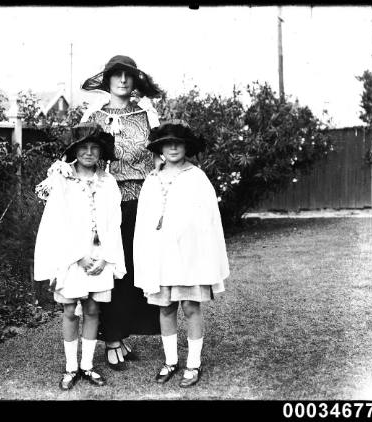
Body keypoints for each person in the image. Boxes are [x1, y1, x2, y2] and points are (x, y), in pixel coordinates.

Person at [77, 55, 163, 370]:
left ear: (135, 81)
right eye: (117, 75)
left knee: (135, 270)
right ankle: (111, 337)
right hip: (106, 200)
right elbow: (84, 157)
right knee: (111, 267)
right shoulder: (94, 115)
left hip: (143, 199)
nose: (123, 81)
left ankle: (122, 332)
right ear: (108, 80)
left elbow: (160, 157)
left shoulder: (147, 115)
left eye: (129, 75)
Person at [133, 120, 230, 388]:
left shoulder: (196, 177)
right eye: (167, 143)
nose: (173, 147)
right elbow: (145, 222)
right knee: (165, 308)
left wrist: (197, 249)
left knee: (189, 306)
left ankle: (193, 364)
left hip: (189, 256)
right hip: (161, 256)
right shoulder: (152, 179)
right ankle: (171, 361)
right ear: (160, 148)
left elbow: (208, 220)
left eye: (178, 143)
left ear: (186, 147)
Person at [34, 122, 125, 391]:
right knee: (70, 310)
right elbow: (57, 222)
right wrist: (78, 255)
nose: (88, 152)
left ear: (100, 152)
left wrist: (106, 255)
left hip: (100, 254)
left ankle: (87, 366)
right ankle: (71, 368)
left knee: (94, 308)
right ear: (75, 151)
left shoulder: (108, 182)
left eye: (94, 148)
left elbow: (113, 221)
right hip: (72, 256)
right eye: (83, 147)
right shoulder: (63, 178)